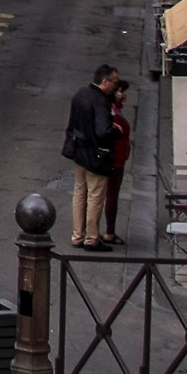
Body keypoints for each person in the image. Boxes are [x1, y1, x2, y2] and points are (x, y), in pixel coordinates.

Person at [61, 64, 120, 250]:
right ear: (105, 81)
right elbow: (103, 131)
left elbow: (72, 124)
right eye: (114, 82)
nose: (116, 87)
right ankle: (91, 238)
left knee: (79, 193)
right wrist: (116, 131)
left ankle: (78, 235)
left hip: (79, 150)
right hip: (96, 154)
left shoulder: (80, 94)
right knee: (95, 196)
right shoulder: (100, 101)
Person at [99, 79, 132, 246]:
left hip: (115, 159)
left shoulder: (113, 110)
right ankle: (109, 232)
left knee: (107, 196)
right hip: (114, 161)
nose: (124, 95)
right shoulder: (112, 113)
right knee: (110, 197)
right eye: (120, 91)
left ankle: (96, 231)